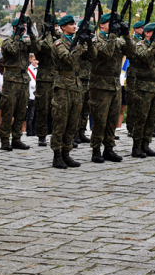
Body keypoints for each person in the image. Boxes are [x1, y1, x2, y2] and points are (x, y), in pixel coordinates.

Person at [50, 15, 96, 168]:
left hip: (77, 86)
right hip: (63, 86)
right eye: (70, 24)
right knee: (60, 123)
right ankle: (57, 155)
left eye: (74, 24)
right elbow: (69, 59)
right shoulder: (58, 44)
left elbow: (93, 56)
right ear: (62, 27)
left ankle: (66, 153)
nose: (74, 26)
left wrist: (88, 40)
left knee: (72, 122)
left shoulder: (75, 42)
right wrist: (80, 44)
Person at [88, 13, 132, 163]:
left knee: (112, 119)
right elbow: (106, 53)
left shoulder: (118, 40)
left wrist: (126, 35)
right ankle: (96, 150)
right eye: (110, 23)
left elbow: (132, 52)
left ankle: (109, 148)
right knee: (100, 119)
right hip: (100, 85)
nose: (113, 26)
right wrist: (112, 35)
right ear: (101, 25)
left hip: (114, 84)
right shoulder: (95, 39)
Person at [129, 22, 155, 158]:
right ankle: (136, 147)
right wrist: (154, 44)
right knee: (141, 118)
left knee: (152, 119)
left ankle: (145, 144)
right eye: (154, 32)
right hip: (144, 87)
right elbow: (145, 57)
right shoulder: (140, 45)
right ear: (147, 33)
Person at [0, 18, 33, 151]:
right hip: (11, 81)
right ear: (14, 28)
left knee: (21, 112)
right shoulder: (7, 41)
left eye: (23, 27)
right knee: (8, 112)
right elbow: (12, 50)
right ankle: (5, 140)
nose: (22, 29)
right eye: (20, 27)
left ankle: (17, 139)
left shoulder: (25, 42)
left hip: (23, 80)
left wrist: (30, 32)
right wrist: (17, 36)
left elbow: (36, 48)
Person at [33, 17, 58, 146]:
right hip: (44, 79)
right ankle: (41, 135)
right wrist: (47, 33)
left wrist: (53, 31)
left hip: (57, 79)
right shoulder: (42, 41)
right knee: (43, 108)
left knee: (58, 109)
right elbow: (48, 47)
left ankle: (57, 134)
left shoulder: (58, 39)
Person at [25, 54, 38, 137]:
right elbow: (31, 82)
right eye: (34, 60)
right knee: (31, 115)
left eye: (36, 60)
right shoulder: (28, 70)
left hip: (37, 95)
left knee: (36, 114)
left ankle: (35, 130)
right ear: (30, 60)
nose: (36, 61)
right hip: (31, 94)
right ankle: (29, 131)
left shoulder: (38, 69)